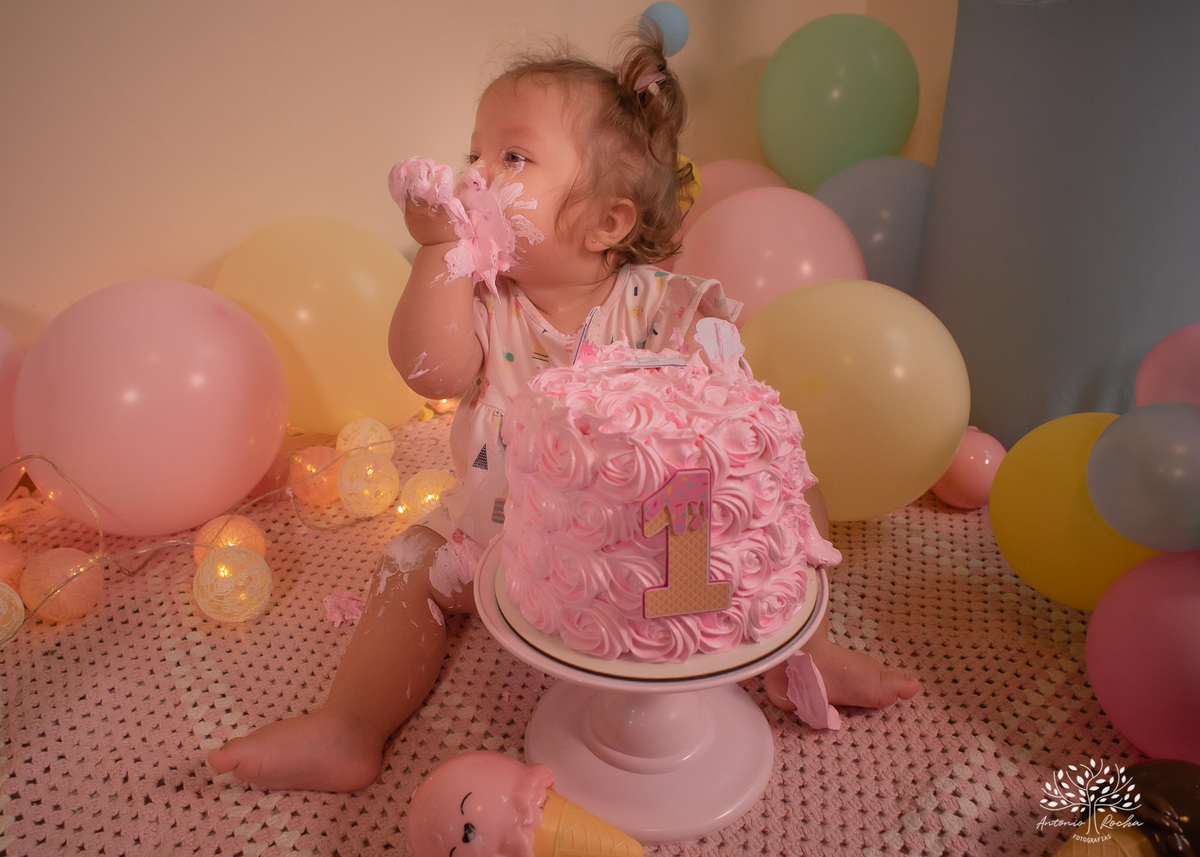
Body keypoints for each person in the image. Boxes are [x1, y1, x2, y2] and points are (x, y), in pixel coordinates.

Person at [207, 32, 918, 794]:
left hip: (651, 544)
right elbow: (428, 368)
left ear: (607, 223)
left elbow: (724, 434)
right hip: (496, 530)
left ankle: (798, 651)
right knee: (406, 563)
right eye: (474, 153)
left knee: (783, 498)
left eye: (512, 158)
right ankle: (349, 726)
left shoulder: (665, 307)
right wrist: (437, 254)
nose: (476, 174)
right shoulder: (484, 304)